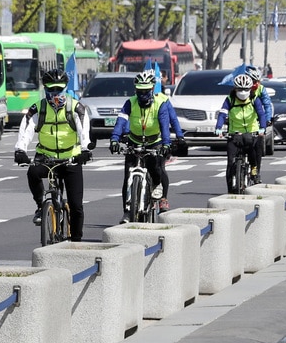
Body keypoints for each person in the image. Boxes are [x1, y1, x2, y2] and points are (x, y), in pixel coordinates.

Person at [14, 68, 91, 240]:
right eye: (51, 89)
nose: (55, 93)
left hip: (71, 158)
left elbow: (83, 130)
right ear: (45, 89)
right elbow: (26, 129)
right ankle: (41, 205)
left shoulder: (75, 107)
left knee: (76, 206)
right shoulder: (38, 108)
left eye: (59, 89)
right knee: (32, 172)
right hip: (46, 156)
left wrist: (85, 149)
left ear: (66, 88)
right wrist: (20, 150)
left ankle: (77, 243)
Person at [109, 70, 181, 218]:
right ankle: (127, 212)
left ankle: (162, 196)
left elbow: (165, 124)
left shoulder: (160, 103)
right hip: (134, 141)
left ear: (152, 89)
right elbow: (121, 121)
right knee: (127, 177)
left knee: (157, 170)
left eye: (146, 91)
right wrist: (114, 139)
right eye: (139, 91)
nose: (142, 95)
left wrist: (167, 143)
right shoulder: (130, 102)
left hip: (154, 141)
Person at [215, 73, 271, 192]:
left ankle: (255, 170)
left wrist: (262, 128)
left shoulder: (255, 99)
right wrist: (218, 127)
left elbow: (261, 114)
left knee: (255, 151)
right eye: (240, 89)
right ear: (235, 89)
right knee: (230, 162)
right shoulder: (229, 100)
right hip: (234, 133)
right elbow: (222, 114)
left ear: (250, 89)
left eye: (245, 89)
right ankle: (230, 187)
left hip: (252, 131)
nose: (243, 92)